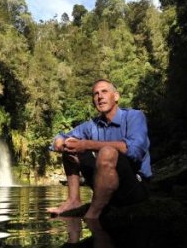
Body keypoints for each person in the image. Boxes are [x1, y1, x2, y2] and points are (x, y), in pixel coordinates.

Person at [48, 79, 152, 219]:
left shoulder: (134, 116)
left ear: (116, 96)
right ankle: (73, 200)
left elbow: (135, 151)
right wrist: (60, 141)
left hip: (134, 184)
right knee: (72, 147)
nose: (100, 96)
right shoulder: (92, 125)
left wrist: (87, 144)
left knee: (107, 152)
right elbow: (61, 136)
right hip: (105, 182)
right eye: (95, 94)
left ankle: (93, 213)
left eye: (104, 91)